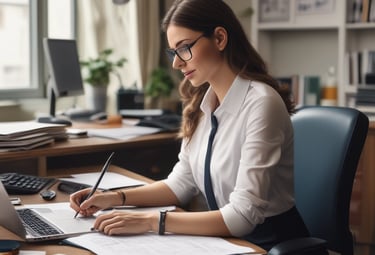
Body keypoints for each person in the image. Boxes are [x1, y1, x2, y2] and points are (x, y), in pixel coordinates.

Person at [70, 0, 310, 250]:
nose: (176, 63)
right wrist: (114, 198)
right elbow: (180, 185)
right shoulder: (200, 106)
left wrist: (150, 221)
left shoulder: (261, 104)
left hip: (267, 244)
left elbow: (242, 217)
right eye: (173, 52)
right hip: (226, 240)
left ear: (219, 38)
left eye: (184, 48)